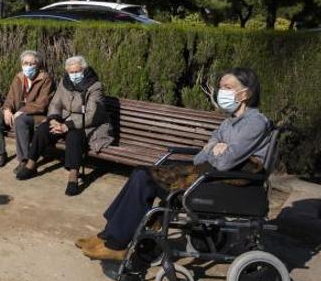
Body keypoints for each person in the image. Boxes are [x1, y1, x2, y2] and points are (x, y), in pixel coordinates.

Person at [77, 68, 271, 261]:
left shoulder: (255, 123)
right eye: (221, 87)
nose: (222, 92)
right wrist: (215, 147)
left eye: (228, 87)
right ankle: (108, 235)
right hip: (208, 174)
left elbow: (225, 161)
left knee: (144, 178)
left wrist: (215, 149)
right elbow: (200, 157)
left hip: (223, 184)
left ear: (246, 93)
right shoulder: (230, 122)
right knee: (140, 172)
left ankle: (116, 244)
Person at [33, 55, 113, 194]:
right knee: (44, 129)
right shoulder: (64, 82)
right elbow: (55, 103)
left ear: (84, 69)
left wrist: (66, 126)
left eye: (77, 71)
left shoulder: (95, 86)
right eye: (71, 72)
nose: (74, 75)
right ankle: (30, 163)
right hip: (64, 120)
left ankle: (73, 176)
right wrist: (53, 119)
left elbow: (91, 115)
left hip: (88, 124)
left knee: (74, 137)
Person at [0, 50, 54, 176]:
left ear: (38, 65)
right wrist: (7, 109)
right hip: (18, 113)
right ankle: (1, 153)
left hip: (38, 116)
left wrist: (22, 111)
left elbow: (42, 104)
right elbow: (10, 98)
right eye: (26, 63)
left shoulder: (46, 79)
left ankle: (24, 160)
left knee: (21, 120)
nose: (28, 66)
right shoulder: (19, 77)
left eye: (32, 63)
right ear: (21, 64)